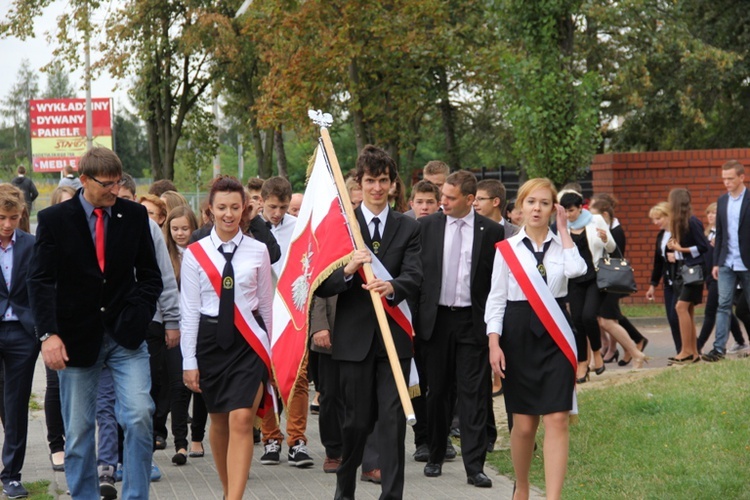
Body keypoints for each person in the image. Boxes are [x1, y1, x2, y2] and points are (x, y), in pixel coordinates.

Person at [28, 147, 163, 500]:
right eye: (107, 184)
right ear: (84, 180)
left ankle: (136, 495)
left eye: (119, 183)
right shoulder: (55, 219)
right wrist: (48, 335)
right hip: (74, 339)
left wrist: (138, 314)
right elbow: (40, 281)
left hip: (126, 338)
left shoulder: (133, 216)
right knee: (78, 431)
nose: (115, 191)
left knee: (139, 415)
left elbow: (150, 276)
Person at [315, 145, 422, 500]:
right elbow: (321, 283)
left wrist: (392, 286)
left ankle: (391, 496)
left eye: (383, 181)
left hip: (394, 341)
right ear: (359, 184)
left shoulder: (409, 227)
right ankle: (344, 491)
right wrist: (347, 269)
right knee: (356, 424)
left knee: (392, 427)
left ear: (393, 185)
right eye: (370, 180)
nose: (377, 187)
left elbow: (416, 275)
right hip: (353, 343)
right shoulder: (344, 227)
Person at [486, 177, 587, 500]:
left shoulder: (563, 246)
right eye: (531, 202)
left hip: (556, 335)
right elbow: (496, 299)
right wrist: (493, 342)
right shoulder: (507, 250)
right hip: (517, 335)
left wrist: (564, 231)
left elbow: (577, 270)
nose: (537, 208)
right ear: (520, 207)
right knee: (525, 425)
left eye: (545, 203)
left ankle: (553, 497)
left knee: (558, 417)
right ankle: (523, 487)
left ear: (553, 208)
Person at [180, 176, 273, 500]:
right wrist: (188, 361)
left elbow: (267, 305)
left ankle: (235, 498)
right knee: (218, 422)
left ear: (245, 209)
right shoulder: (195, 253)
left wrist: (272, 355)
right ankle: (226, 490)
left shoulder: (258, 251)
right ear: (210, 210)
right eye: (222, 208)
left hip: (248, 343)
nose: (229, 214)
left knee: (243, 418)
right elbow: (189, 309)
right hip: (210, 341)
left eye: (235, 207)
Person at [416, 170, 503, 488]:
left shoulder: (491, 231)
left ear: (469, 199)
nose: (443, 202)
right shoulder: (426, 226)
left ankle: (474, 466)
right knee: (437, 392)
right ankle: (436, 455)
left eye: (450, 198)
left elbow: (497, 280)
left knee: (474, 395)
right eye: (443, 197)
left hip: (472, 322)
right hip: (437, 322)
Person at [257, 176, 313, 468]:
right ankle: (270, 438)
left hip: (292, 312)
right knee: (264, 377)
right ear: (261, 202)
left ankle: (297, 439)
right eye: (272, 207)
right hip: (261, 313)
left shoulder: (298, 229)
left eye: (282, 207)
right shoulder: (250, 228)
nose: (277, 213)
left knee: (298, 376)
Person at [0, 184, 38, 500]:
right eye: (1, 218)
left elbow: (42, 289)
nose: (7, 225)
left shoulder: (31, 245)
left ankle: (11, 475)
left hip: (23, 335)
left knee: (16, 406)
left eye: (13, 217)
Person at [558, 191, 616, 381]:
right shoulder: (560, 226)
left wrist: (605, 238)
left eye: (571, 211)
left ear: (580, 208)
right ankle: (582, 362)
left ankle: (597, 354)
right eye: (564, 211)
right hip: (574, 280)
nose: (568, 215)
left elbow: (612, 248)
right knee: (577, 321)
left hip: (595, 276)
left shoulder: (595, 220)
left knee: (589, 316)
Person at [588, 198, 648, 369]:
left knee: (608, 321)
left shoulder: (615, 231)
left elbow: (615, 255)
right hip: (604, 280)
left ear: (604, 215)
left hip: (611, 281)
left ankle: (635, 348)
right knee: (601, 320)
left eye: (595, 216)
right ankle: (632, 347)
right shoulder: (605, 229)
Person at [704, 160, 750, 362]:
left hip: (747, 262)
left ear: (742, 177)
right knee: (723, 305)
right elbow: (720, 235)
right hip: (726, 262)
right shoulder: (722, 201)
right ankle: (718, 349)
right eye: (724, 179)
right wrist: (716, 262)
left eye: (730, 178)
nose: (727, 183)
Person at [696, 202, 747, 354]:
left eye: (714, 213)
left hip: (722, 276)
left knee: (712, 310)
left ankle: (698, 345)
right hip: (710, 276)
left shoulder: (725, 234)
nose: (711, 216)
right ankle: (740, 341)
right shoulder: (706, 233)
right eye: (709, 213)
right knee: (725, 309)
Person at [666, 188, 709, 364]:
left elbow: (703, 246)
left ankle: (686, 351)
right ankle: (693, 352)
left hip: (695, 272)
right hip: (686, 271)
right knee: (688, 310)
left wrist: (680, 249)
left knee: (681, 308)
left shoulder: (693, 222)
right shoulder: (681, 223)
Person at [645, 202, 682, 355]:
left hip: (681, 279)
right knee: (671, 319)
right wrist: (653, 284)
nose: (656, 222)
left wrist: (677, 257)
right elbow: (658, 262)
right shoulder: (661, 236)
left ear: (668, 216)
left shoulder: (679, 233)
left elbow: (689, 253)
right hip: (668, 281)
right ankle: (680, 349)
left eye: (658, 218)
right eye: (654, 219)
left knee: (677, 316)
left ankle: (689, 348)